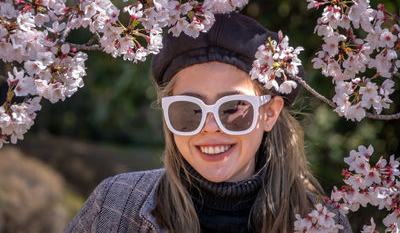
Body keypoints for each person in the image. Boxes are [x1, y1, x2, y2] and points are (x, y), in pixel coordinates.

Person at [64, 12, 352, 233]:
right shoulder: (114, 205)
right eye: (190, 109)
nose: (210, 126)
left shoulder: (324, 223)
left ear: (269, 113)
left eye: (233, 107)